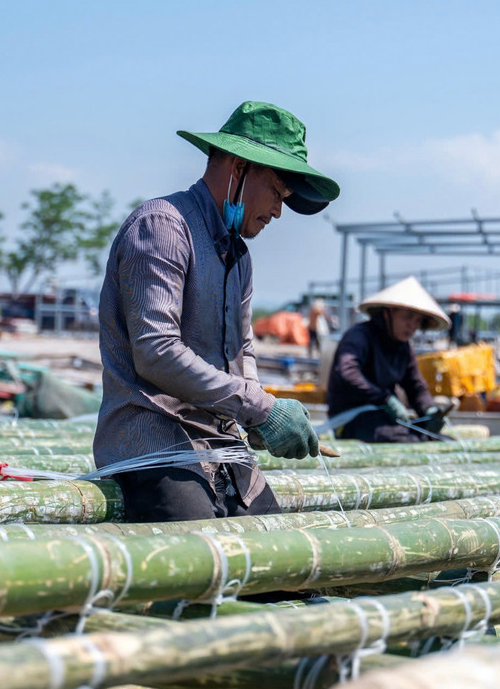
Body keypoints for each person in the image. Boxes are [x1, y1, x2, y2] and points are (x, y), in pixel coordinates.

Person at [94, 101, 340, 522]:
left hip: (222, 447)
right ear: (238, 168)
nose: (279, 210)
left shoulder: (238, 256)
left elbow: (242, 350)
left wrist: (262, 414)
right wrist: (259, 407)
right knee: (208, 563)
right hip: (154, 447)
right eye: (278, 193)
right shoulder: (162, 226)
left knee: (285, 563)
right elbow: (156, 351)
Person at [326, 277, 451, 443]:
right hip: (351, 418)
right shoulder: (359, 336)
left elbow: (415, 386)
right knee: (407, 442)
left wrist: (429, 410)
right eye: (407, 317)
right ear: (387, 313)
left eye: (417, 321)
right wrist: (384, 399)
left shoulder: (404, 348)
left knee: (438, 439)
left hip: (384, 418)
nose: (412, 326)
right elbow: (347, 372)